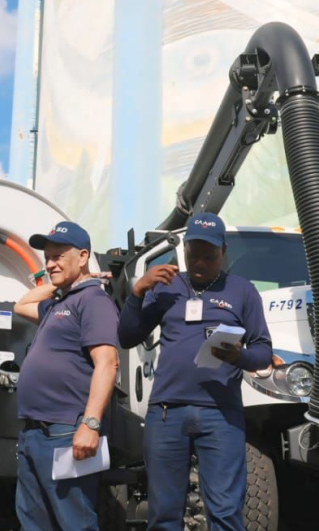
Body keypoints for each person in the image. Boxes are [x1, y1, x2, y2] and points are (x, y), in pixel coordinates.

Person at [117, 212, 272, 531]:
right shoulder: (166, 286)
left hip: (220, 415)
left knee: (225, 511)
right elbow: (127, 336)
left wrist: (239, 356)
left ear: (223, 251)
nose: (200, 262)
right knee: (163, 513)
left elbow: (263, 353)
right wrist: (138, 292)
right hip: (166, 413)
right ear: (184, 249)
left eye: (209, 255)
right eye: (193, 254)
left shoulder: (242, 291)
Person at [13, 221, 120, 531]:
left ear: (83, 256)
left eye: (58, 256)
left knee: (75, 523)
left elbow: (107, 363)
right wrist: (60, 283)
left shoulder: (94, 301)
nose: (50, 264)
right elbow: (22, 304)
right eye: (47, 257)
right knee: (34, 524)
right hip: (35, 433)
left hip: (64, 433)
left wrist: (90, 424)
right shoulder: (61, 302)